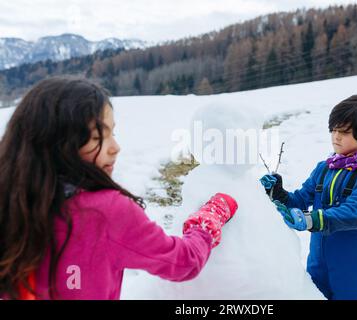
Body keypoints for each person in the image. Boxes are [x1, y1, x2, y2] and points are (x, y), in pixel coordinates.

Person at [0, 77, 237, 300]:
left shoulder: (11, 202)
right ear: (58, 145)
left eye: (113, 133)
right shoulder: (105, 212)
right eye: (97, 137)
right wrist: (207, 222)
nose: (115, 147)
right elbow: (183, 262)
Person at [260, 95, 357, 300]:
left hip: (354, 267)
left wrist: (314, 219)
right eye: (334, 130)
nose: (336, 136)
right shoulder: (324, 169)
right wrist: (278, 193)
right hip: (318, 265)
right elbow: (299, 201)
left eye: (344, 132)